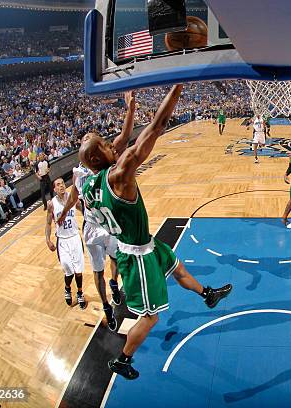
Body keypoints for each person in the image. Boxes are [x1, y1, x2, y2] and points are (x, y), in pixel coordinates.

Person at [79, 85, 232, 380]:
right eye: (109, 146)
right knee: (150, 317)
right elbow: (156, 127)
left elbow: (120, 144)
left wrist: (131, 108)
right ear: (104, 157)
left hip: (139, 243)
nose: (115, 145)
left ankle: (207, 294)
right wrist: (177, 86)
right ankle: (122, 360)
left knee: (177, 267)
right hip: (136, 256)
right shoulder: (120, 175)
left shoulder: (89, 183)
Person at [58, 91, 138, 332]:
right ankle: (105, 306)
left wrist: (131, 109)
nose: (88, 136)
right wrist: (62, 215)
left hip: (110, 225)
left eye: (90, 135)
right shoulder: (79, 173)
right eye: (86, 136)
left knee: (115, 262)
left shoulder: (106, 157)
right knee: (97, 270)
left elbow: (125, 135)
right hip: (92, 229)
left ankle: (114, 284)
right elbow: (73, 196)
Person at [45, 178, 87, 309]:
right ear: (54, 189)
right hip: (62, 241)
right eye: (58, 185)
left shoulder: (73, 198)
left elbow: (85, 211)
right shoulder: (51, 204)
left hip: (75, 238)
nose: (61, 186)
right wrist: (47, 239)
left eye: (62, 183)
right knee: (68, 270)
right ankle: (68, 288)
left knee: (78, 271)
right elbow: (48, 223)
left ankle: (80, 293)